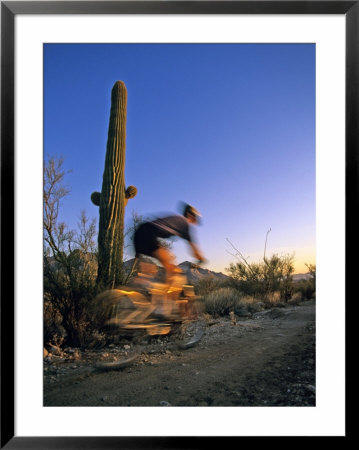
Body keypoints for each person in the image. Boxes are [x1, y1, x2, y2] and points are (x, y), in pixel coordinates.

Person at [134, 203, 205, 285]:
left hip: (140, 233)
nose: (195, 221)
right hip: (148, 233)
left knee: (147, 276)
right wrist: (201, 259)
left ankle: (138, 292)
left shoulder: (177, 220)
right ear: (189, 215)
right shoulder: (184, 224)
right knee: (172, 266)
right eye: (195, 217)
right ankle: (168, 295)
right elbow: (195, 250)